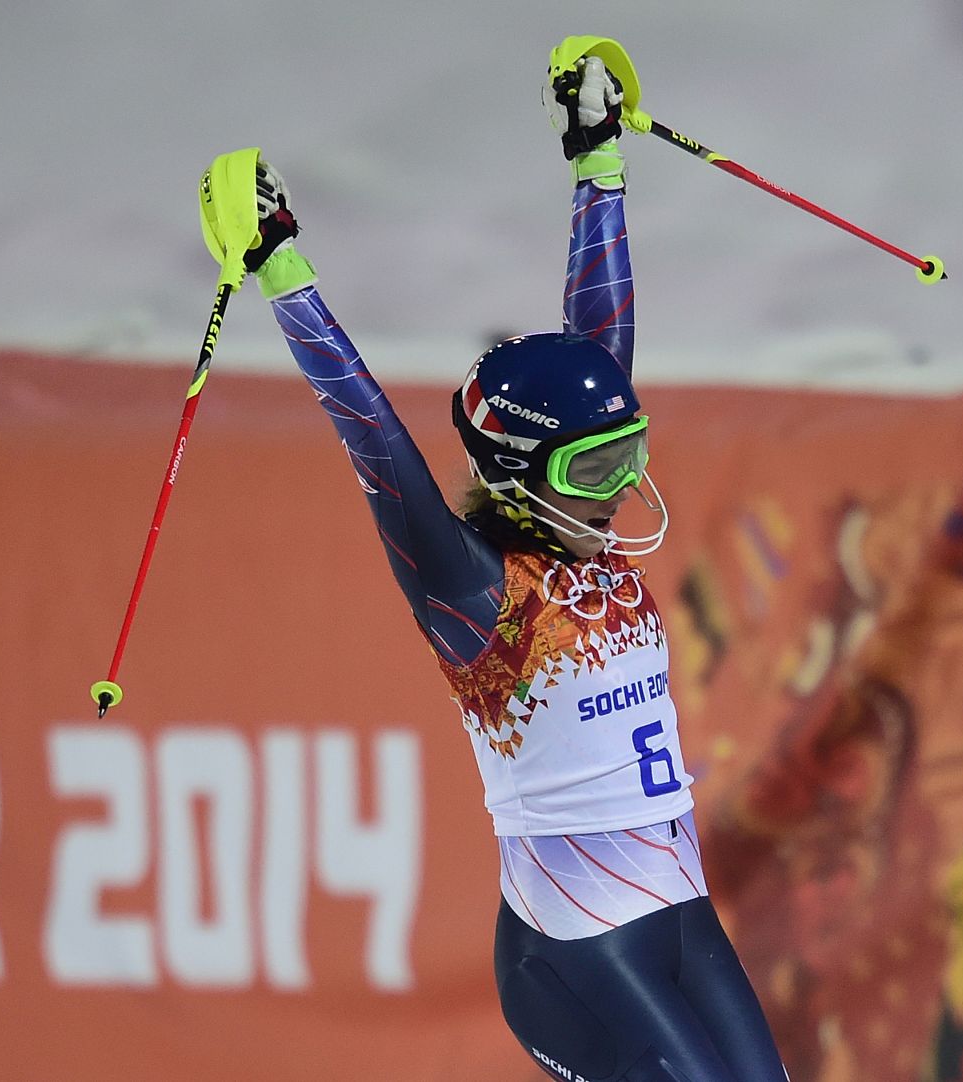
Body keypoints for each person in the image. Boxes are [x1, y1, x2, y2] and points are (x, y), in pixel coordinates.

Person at [204, 47, 790, 1081]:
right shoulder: (475, 592)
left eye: (630, 451)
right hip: (573, 955)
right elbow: (375, 441)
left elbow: (597, 351)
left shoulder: (585, 530)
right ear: (521, 475)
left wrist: (598, 163)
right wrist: (282, 269)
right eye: (595, 465)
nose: (623, 483)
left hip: (678, 915)